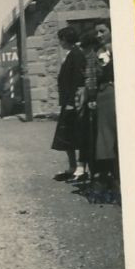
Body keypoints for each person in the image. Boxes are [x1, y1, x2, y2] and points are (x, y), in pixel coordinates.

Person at [84, 22, 119, 200]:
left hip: (123, 95)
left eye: (102, 31)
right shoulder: (95, 54)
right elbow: (90, 77)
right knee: (106, 137)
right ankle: (109, 179)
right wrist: (91, 98)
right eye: (96, 31)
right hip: (104, 97)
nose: (98, 35)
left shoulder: (124, 48)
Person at [51, 26, 89, 182]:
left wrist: (73, 102)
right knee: (67, 137)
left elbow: (77, 81)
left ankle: (81, 169)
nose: (60, 42)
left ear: (65, 39)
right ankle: (72, 167)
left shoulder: (77, 55)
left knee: (77, 136)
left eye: (60, 39)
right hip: (68, 102)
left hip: (74, 103)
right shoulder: (70, 54)